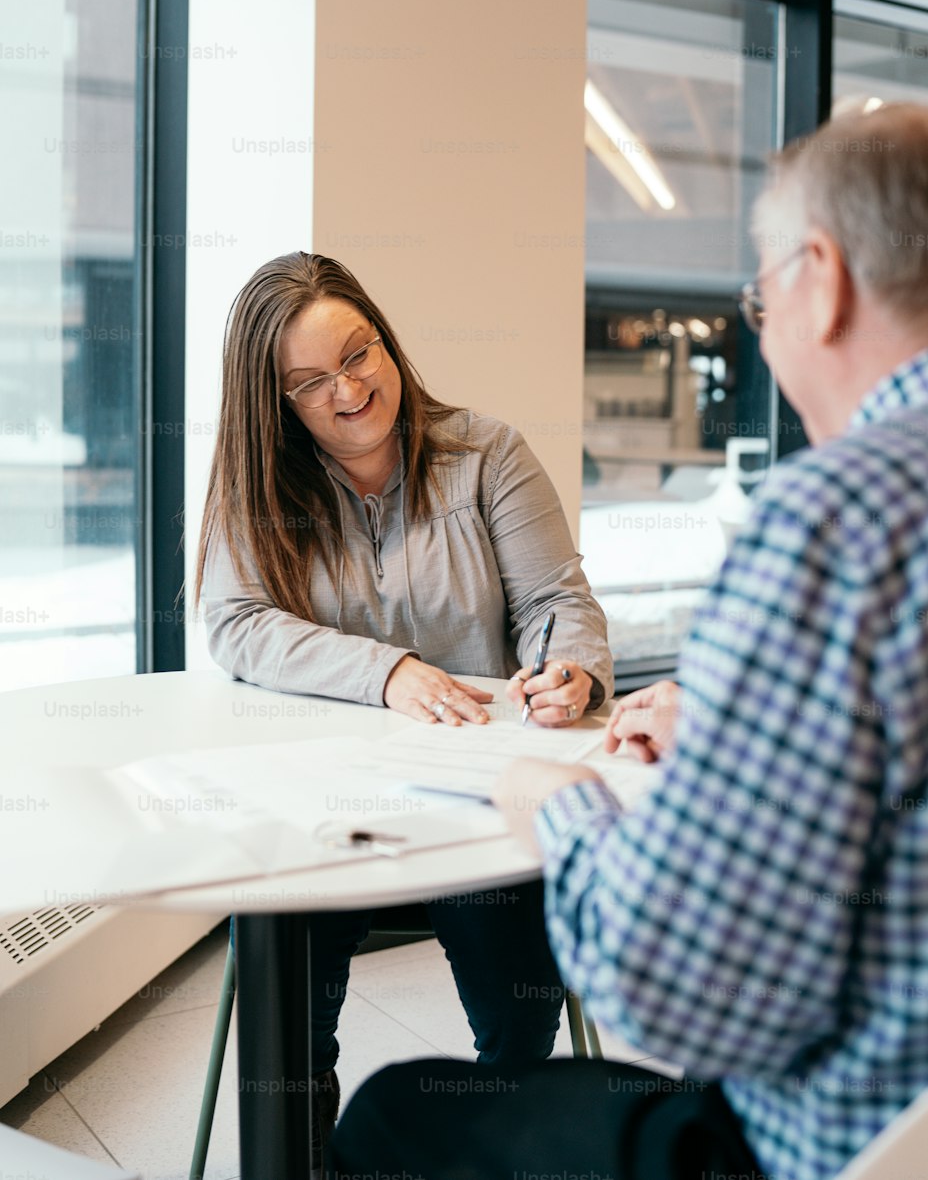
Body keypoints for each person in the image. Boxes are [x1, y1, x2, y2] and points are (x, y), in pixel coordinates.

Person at [328, 103, 928, 1180]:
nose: (766, 334)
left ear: (818, 279)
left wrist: (562, 807)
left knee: (396, 1115)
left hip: (849, 1140)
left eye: (759, 296)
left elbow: (687, 989)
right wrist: (742, 726)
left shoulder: (832, 520)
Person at [193, 251, 613, 1162]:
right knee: (290, 1021)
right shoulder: (258, 483)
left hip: (475, 795)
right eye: (311, 381)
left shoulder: (486, 452)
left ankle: (497, 1151)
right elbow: (233, 623)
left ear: (385, 338)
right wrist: (388, 673)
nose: (349, 390)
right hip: (327, 803)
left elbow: (558, 601)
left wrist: (567, 670)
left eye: (358, 353)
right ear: (278, 403)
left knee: (519, 1017)